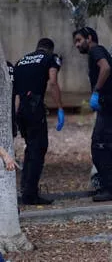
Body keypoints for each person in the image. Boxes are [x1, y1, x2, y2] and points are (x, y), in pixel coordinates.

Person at [73, 26, 112, 202]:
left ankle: (110, 188)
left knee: (98, 147)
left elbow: (105, 68)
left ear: (89, 38)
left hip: (109, 107)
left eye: (79, 40)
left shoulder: (96, 50)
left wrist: (96, 92)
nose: (76, 45)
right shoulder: (101, 51)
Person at [13, 38, 65, 205]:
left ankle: (25, 188)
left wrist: (15, 117)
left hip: (21, 109)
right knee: (39, 148)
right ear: (50, 49)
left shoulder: (21, 61)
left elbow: (15, 92)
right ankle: (30, 194)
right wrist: (60, 108)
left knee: (30, 148)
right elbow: (53, 82)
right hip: (35, 108)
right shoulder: (51, 58)